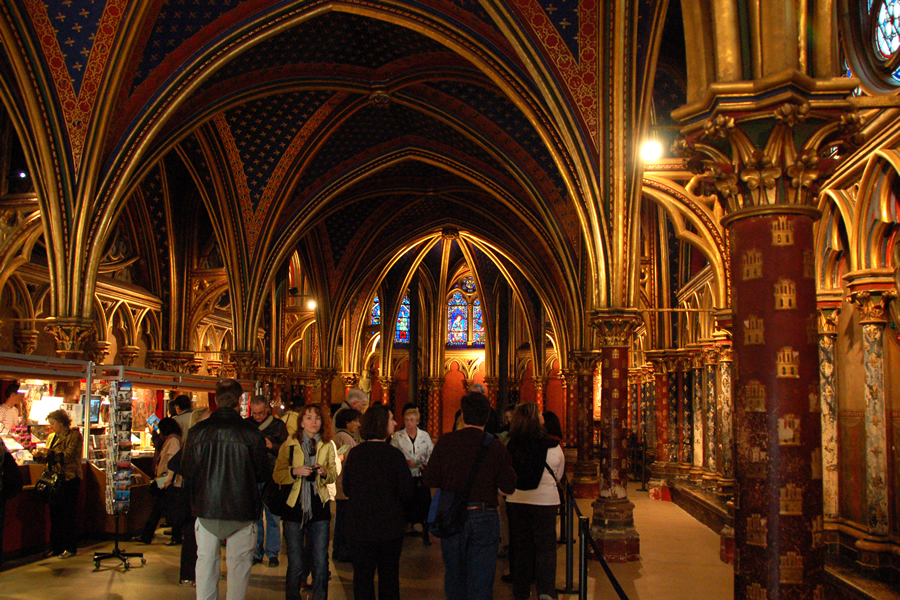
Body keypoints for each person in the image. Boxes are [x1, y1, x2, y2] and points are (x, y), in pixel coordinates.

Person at [180, 379, 271, 600]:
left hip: (206, 506)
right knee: (239, 569)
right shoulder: (251, 433)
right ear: (240, 401)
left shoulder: (198, 432)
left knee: (206, 565)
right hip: (242, 508)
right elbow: (262, 472)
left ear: (216, 399)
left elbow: (187, 470)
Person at [424, 392, 517, 600]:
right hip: (484, 515)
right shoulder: (494, 446)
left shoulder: (446, 442)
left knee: (454, 576)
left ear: (463, 416)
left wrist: (438, 511)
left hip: (452, 515)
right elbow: (509, 486)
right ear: (486, 418)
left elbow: (431, 480)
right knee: (482, 579)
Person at [343, 404, 413, 600]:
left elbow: (347, 488)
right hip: (389, 527)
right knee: (389, 578)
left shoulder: (356, 454)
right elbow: (407, 492)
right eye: (392, 419)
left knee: (362, 579)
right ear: (382, 424)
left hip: (360, 526)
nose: (396, 423)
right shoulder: (395, 455)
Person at [273, 403, 337, 600]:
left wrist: (325, 473)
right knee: (296, 563)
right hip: (295, 505)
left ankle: (320, 596)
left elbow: (333, 473)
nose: (313, 422)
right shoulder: (290, 444)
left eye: (317, 418)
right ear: (301, 422)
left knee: (320, 560)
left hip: (319, 505)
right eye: (308, 418)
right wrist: (294, 471)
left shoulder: (327, 444)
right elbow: (278, 474)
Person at [506, 403, 565, 600]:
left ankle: (521, 592)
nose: (542, 415)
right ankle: (546, 591)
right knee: (545, 548)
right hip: (545, 502)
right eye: (539, 413)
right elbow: (559, 473)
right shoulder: (552, 446)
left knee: (521, 548)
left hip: (516, 500)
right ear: (534, 419)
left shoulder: (511, 445)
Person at [35, 409, 84, 559]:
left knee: (68, 514)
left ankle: (69, 547)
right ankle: (56, 547)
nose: (51, 427)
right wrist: (39, 456)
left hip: (69, 479)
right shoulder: (51, 437)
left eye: (53, 423)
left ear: (62, 423)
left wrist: (52, 454)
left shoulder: (74, 436)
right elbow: (47, 456)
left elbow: (69, 455)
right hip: (53, 480)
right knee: (54, 515)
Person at [246, 395, 288, 568]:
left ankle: (272, 553)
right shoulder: (247, 425)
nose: (257, 417)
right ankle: (257, 552)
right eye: (254, 413)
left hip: (272, 476)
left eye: (261, 413)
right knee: (255, 518)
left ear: (268, 410)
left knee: (272, 517)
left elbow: (287, 450)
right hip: (253, 475)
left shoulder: (278, 426)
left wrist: (273, 446)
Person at [390, 406, 433, 544]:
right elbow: (393, 454)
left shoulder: (424, 436)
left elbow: (431, 453)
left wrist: (424, 463)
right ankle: (403, 528)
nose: (409, 423)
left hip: (420, 474)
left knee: (423, 502)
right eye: (407, 420)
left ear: (417, 422)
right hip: (405, 475)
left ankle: (425, 529)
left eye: (412, 420)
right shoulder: (398, 436)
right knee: (405, 502)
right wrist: (405, 461)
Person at [137, 417, 183, 545]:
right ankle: (148, 535)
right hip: (167, 481)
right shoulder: (172, 440)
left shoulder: (173, 441)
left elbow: (173, 461)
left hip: (167, 482)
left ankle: (173, 536)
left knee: (162, 509)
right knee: (158, 509)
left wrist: (168, 479)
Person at [331, 407, 360, 563]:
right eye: (355, 421)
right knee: (345, 520)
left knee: (341, 519)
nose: (358, 424)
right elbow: (348, 461)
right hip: (344, 485)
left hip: (341, 484)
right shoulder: (345, 438)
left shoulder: (339, 436)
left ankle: (339, 549)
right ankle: (343, 550)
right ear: (347, 422)